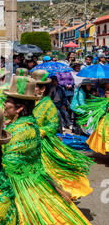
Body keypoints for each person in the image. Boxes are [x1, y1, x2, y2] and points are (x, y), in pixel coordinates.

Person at [2, 75, 109, 225]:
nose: (4, 104)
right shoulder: (20, 124)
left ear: (19, 107)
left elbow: (50, 127)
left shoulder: (27, 126)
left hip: (27, 181)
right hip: (32, 171)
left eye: (7, 101)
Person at [32, 70, 93, 200]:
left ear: (42, 89)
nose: (31, 89)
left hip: (43, 145)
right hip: (30, 143)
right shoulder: (32, 102)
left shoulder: (49, 105)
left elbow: (53, 126)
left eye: (34, 86)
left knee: (49, 173)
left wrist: (38, 132)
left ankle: (58, 195)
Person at [77, 83, 109, 155]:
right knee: (102, 134)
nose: (106, 91)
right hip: (106, 119)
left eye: (107, 89)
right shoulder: (105, 98)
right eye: (105, 89)